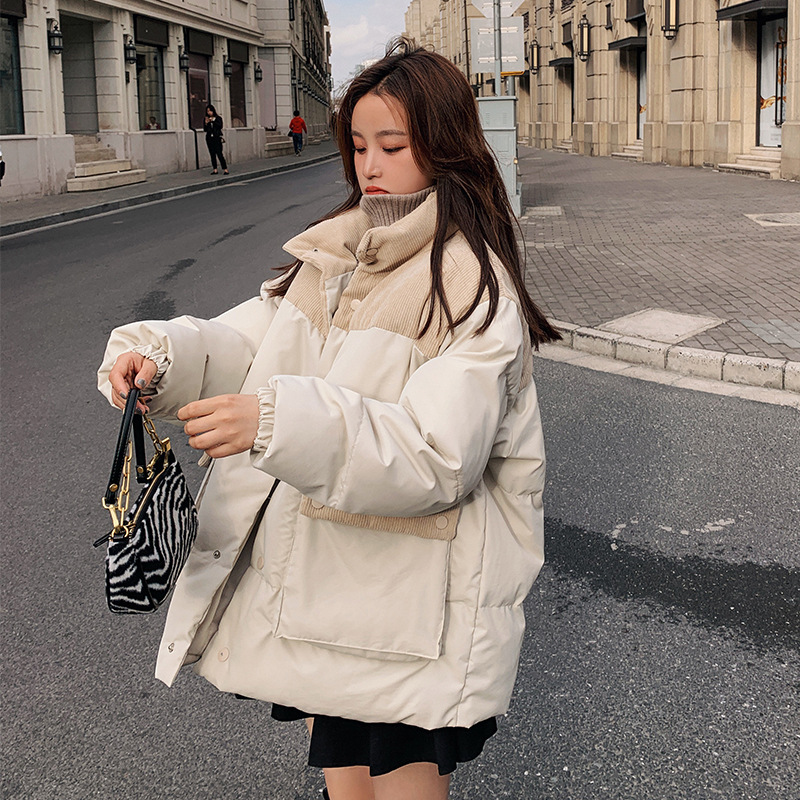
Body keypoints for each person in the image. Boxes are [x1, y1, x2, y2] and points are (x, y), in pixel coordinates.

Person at [98, 38, 560, 800]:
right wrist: (160, 358)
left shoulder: (470, 285)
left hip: (409, 608)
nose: (370, 165)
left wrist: (273, 423)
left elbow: (436, 456)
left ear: (443, 145)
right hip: (323, 596)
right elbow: (252, 343)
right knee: (342, 781)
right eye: (358, 145)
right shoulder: (339, 253)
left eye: (392, 146)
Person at [203, 104, 228, 174]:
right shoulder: (206, 119)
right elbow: (205, 129)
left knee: (219, 153)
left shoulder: (218, 118)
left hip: (217, 138)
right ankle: (215, 169)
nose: (209, 112)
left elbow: (220, 126)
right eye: (207, 111)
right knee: (212, 154)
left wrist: (213, 121)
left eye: (210, 111)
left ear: (213, 111)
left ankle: (225, 169)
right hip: (209, 138)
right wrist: (206, 123)